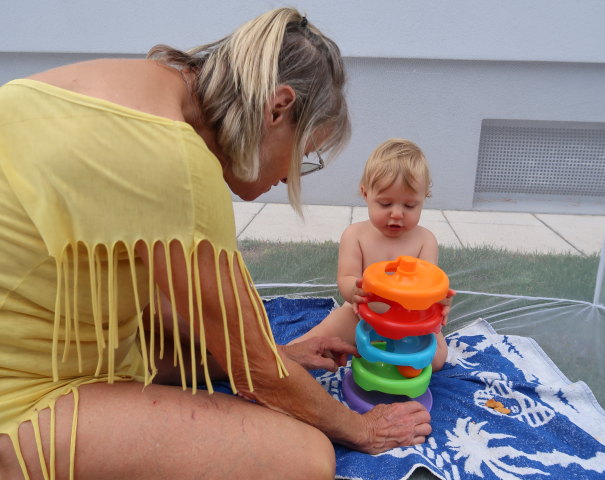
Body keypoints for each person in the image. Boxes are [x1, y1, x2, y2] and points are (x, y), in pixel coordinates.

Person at [0, 8, 433, 480]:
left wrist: (272, 356)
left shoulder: (135, 85)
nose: (290, 175)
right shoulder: (173, 161)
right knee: (305, 457)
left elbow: (172, 304)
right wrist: (361, 429)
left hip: (59, 329)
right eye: (302, 155)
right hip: (17, 397)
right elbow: (254, 369)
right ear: (277, 108)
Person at [291, 138, 454, 371]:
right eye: (385, 203)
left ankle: (399, 357)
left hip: (408, 323)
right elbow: (346, 278)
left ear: (424, 198)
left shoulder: (425, 240)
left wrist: (439, 301)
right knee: (316, 341)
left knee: (437, 359)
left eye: (409, 206)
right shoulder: (355, 235)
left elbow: (428, 288)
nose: (397, 214)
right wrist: (355, 290)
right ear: (365, 193)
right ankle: (280, 363)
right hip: (360, 316)